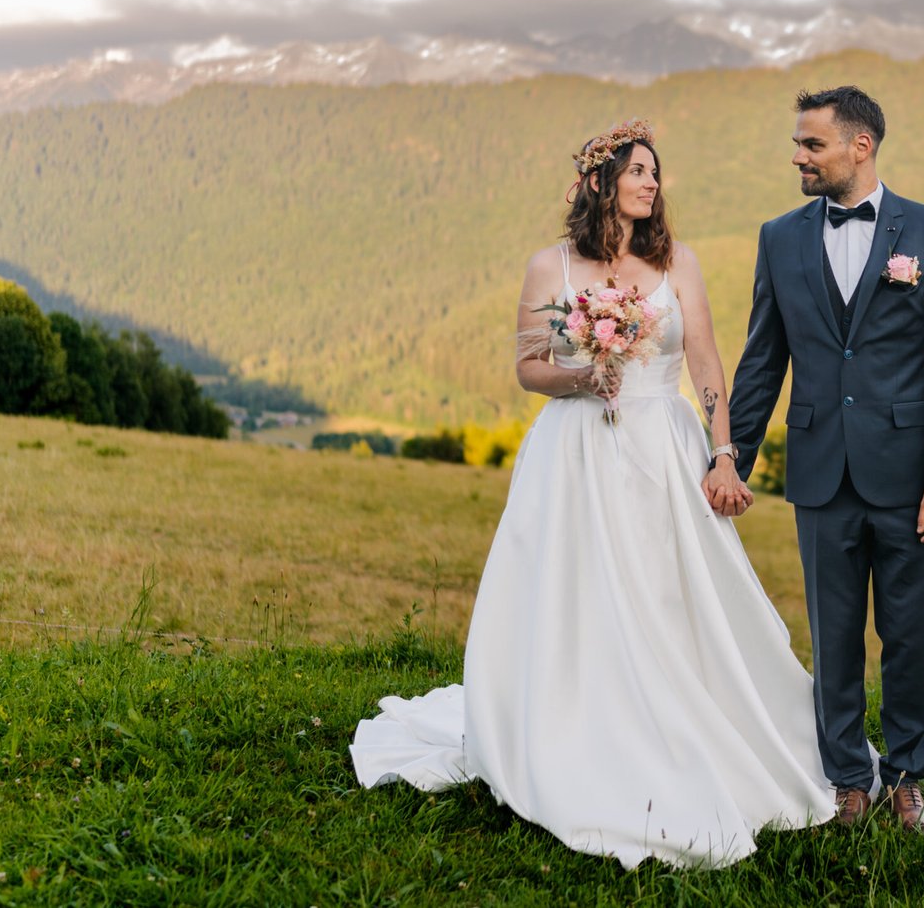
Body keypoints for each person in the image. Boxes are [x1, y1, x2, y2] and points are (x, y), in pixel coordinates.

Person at [349, 119, 834, 869]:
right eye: (639, 171)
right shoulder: (552, 267)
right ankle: (580, 724)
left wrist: (723, 451)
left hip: (663, 449)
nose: (651, 183)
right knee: (580, 594)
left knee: (672, 596)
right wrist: (582, 375)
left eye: (655, 172)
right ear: (603, 182)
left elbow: (704, 358)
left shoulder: (680, 263)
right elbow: (529, 367)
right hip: (576, 451)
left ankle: (689, 722)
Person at [726, 86, 924, 834]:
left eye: (812, 145)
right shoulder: (779, 237)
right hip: (819, 471)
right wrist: (730, 458)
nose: (798, 156)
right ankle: (846, 779)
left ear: (859, 147)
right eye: (799, 144)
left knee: (908, 637)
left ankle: (905, 778)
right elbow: (762, 359)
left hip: (910, 481)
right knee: (833, 636)